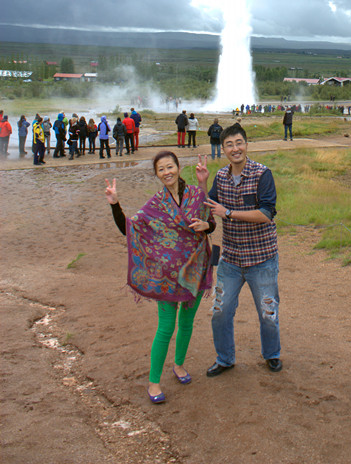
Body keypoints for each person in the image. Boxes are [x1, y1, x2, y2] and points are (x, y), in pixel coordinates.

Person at [103, 151, 215, 403]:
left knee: (187, 323)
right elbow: (129, 229)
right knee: (165, 327)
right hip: (167, 278)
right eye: (161, 169)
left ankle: (178, 365)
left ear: (178, 167)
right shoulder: (156, 205)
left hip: (196, 269)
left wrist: (204, 185)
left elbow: (210, 222)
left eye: (170, 167)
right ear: (156, 174)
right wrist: (114, 204)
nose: (167, 172)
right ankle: (153, 382)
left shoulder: (196, 194)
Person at [199, 123, 282, 376]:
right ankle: (225, 358)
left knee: (268, 313)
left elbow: (267, 213)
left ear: (246, 145)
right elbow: (209, 209)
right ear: (222, 149)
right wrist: (202, 183)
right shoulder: (221, 177)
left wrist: (230, 213)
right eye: (229, 144)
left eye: (239, 143)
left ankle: (272, 354)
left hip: (262, 258)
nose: (235, 149)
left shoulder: (262, 174)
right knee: (220, 312)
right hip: (231, 259)